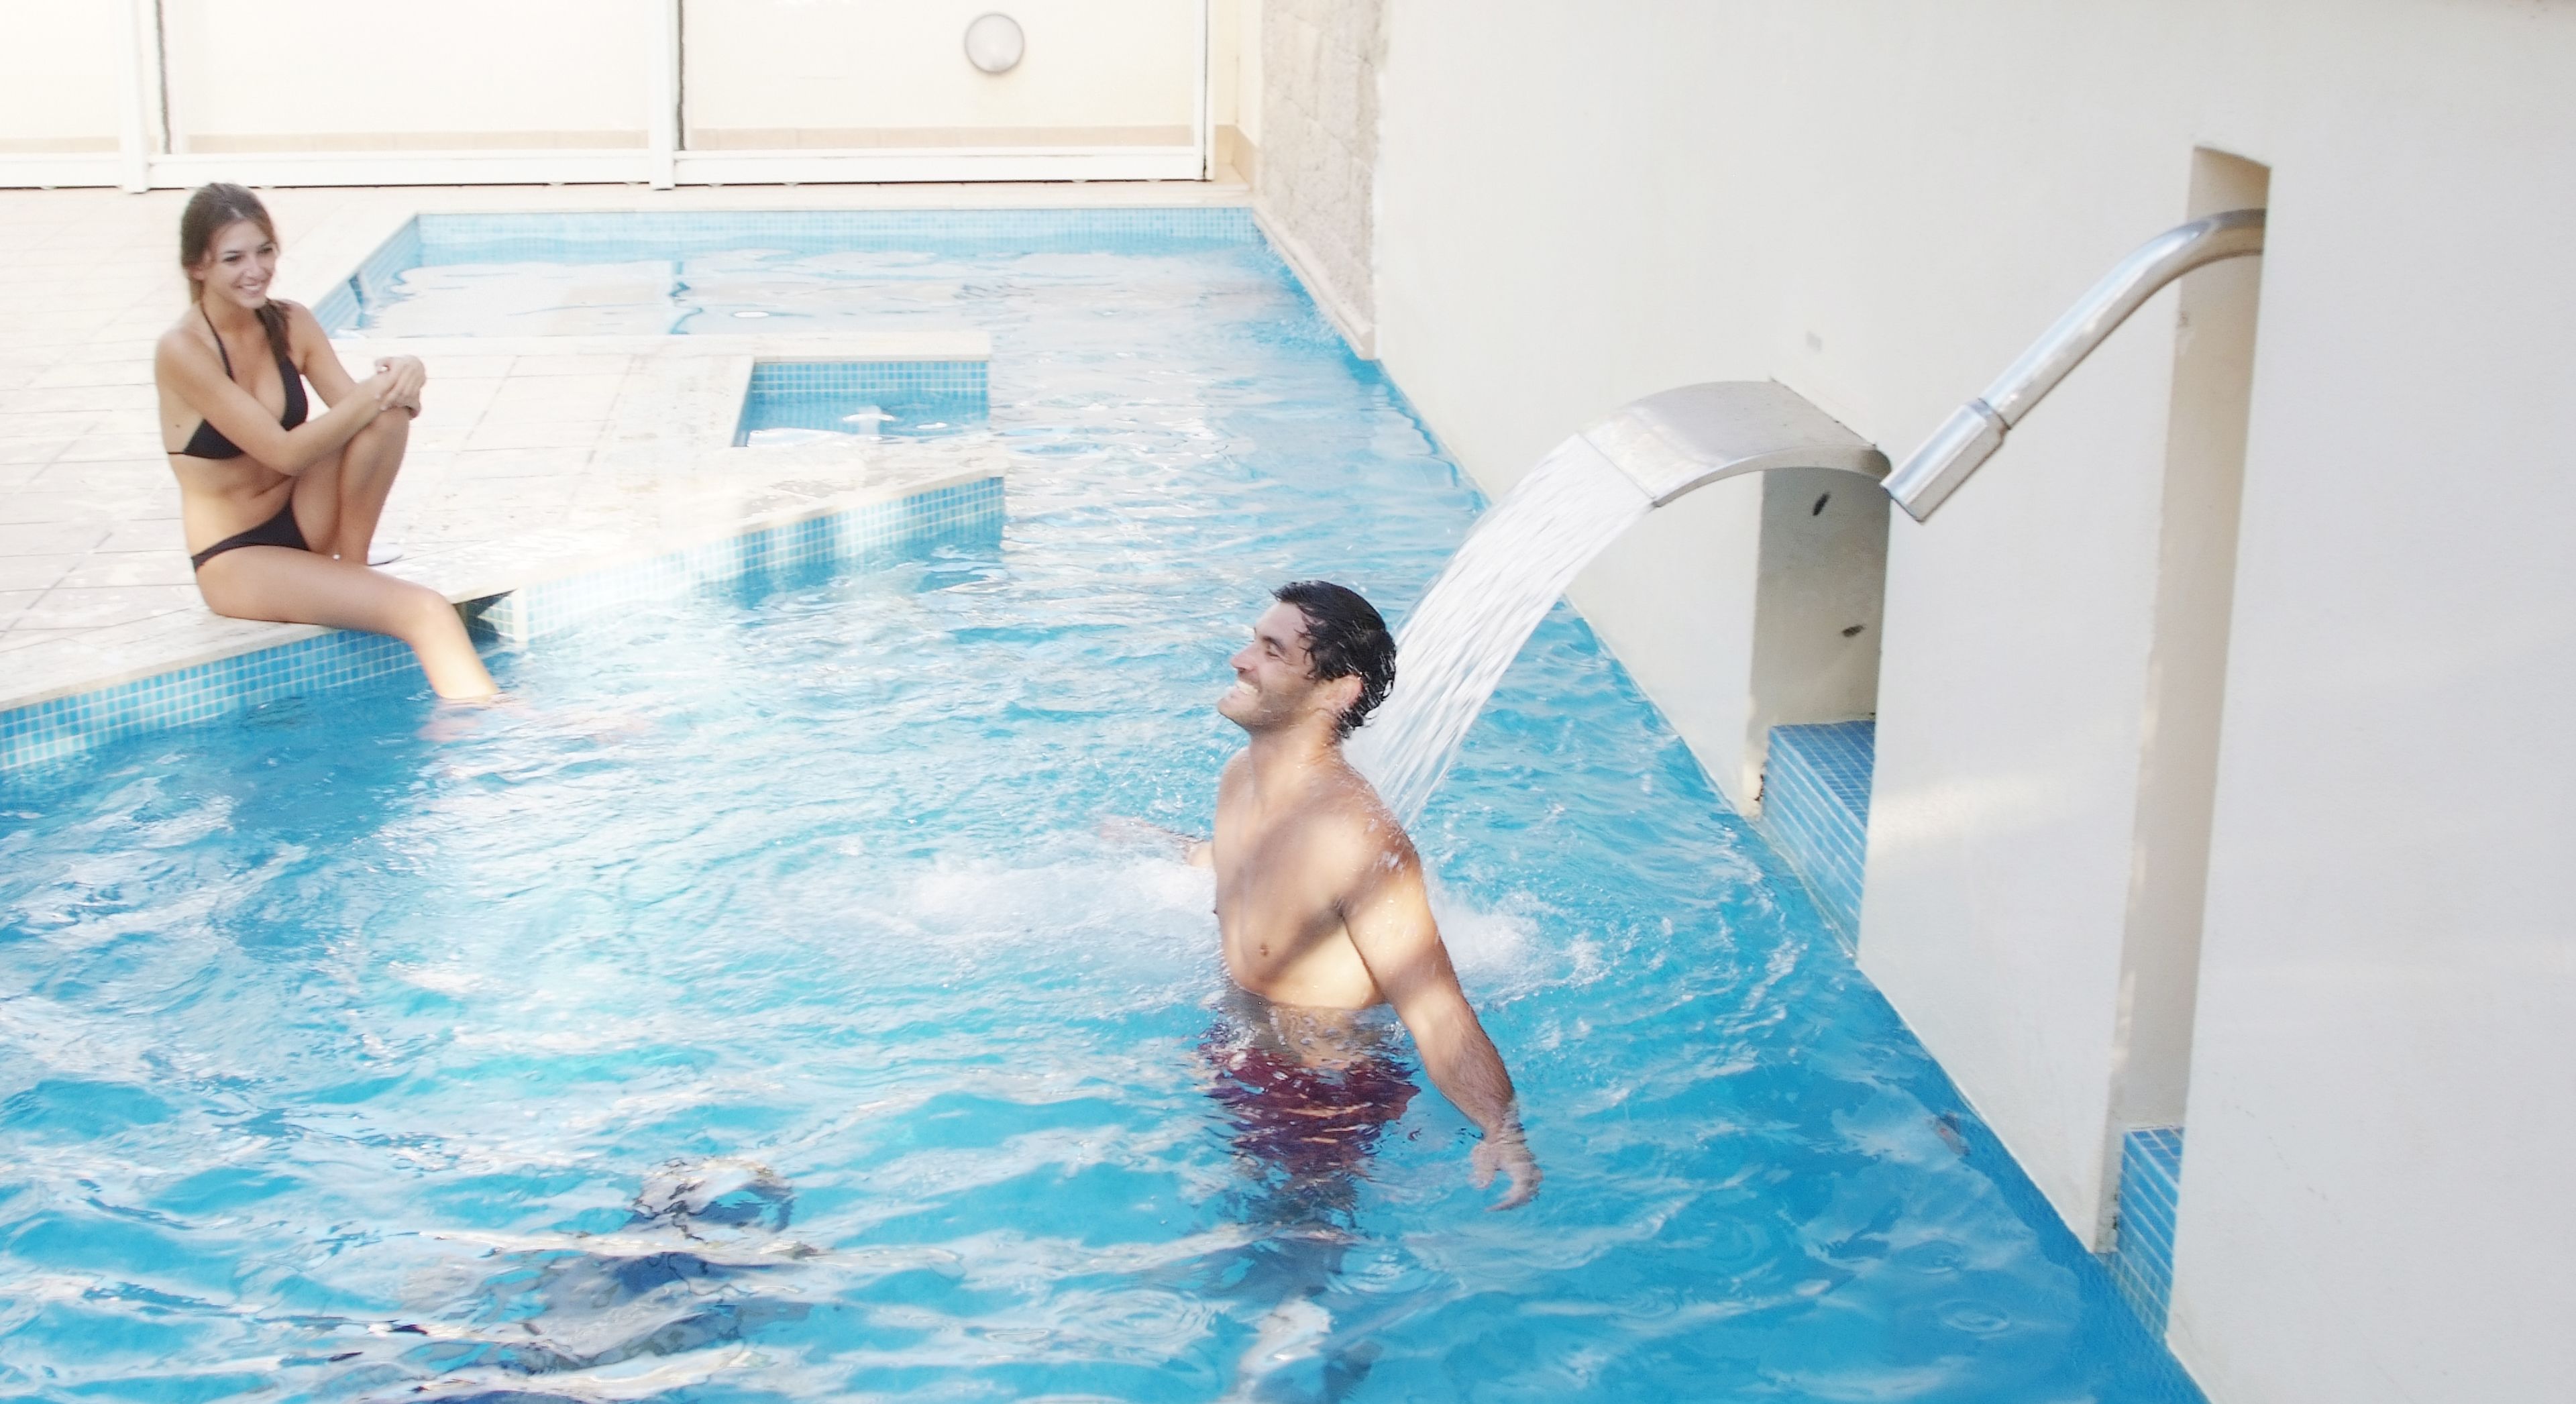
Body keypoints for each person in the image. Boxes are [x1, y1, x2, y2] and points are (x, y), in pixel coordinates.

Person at [1189, 580, 1540, 1210]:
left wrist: (1499, 1126)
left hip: (1319, 1096)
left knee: (1288, 1271)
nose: (1241, 660)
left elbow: (1436, 1010)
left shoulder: (1356, 839)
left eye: (1271, 650)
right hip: (1231, 1043)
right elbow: (1245, 870)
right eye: (1252, 641)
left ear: (1337, 690)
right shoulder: (1239, 777)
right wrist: (1164, 844)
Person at [154, 182, 495, 700]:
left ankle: (352, 569)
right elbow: (284, 452)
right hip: (236, 558)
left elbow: (383, 413)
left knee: (385, 416)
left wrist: (408, 376)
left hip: (306, 517)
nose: (256, 270)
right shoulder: (182, 351)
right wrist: (378, 392)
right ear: (196, 268)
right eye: (233, 258)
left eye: (265, 251)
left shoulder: (292, 322)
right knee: (424, 610)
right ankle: (504, 721)